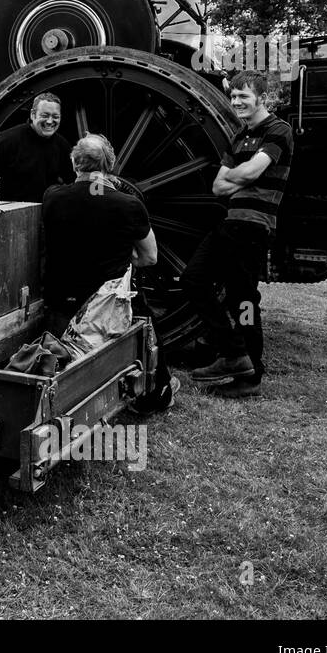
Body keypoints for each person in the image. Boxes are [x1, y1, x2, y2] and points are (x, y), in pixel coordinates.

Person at [43, 134, 177, 414]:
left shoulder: (52, 197)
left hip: (61, 300)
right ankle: (156, 395)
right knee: (143, 315)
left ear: (74, 163)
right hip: (106, 305)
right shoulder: (128, 205)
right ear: (110, 165)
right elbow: (149, 257)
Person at [181, 71, 294, 399]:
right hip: (231, 222)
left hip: (255, 226)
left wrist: (240, 176)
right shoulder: (237, 138)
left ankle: (251, 374)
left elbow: (252, 170)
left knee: (243, 298)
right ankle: (233, 354)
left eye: (243, 96)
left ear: (262, 97)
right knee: (194, 280)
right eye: (233, 97)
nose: (236, 102)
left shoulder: (278, 130)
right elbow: (218, 186)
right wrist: (240, 177)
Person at [0, 91, 74, 202]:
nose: (50, 121)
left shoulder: (61, 144)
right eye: (45, 115)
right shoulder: (9, 139)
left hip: (45, 213)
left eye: (55, 116)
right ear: (33, 114)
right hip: (13, 213)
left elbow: (73, 178)